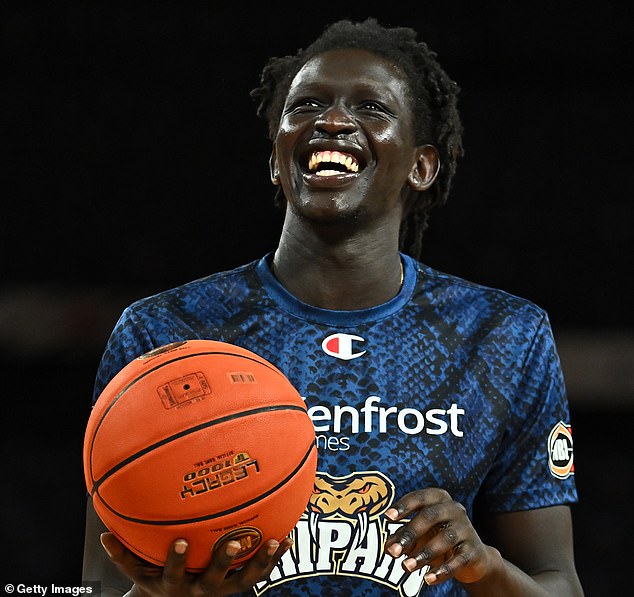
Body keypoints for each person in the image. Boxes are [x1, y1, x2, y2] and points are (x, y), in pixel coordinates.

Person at [82, 18, 584, 597]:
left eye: (372, 108)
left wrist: (486, 568)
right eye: (307, 106)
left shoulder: (504, 335)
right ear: (277, 158)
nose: (334, 120)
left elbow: (560, 584)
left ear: (422, 166)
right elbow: (92, 586)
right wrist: (158, 594)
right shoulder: (164, 332)